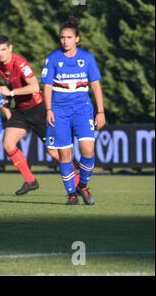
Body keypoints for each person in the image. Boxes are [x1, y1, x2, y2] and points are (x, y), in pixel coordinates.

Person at [0, 35, 77, 196]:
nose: (0, 53)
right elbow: (12, 85)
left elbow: (34, 87)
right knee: (8, 143)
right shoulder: (0, 66)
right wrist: (8, 99)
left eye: (3, 49)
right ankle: (30, 180)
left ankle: (77, 183)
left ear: (10, 48)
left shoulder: (20, 63)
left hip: (38, 109)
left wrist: (10, 92)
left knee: (54, 152)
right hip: (21, 111)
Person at [41, 16, 105, 205]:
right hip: (59, 111)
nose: (65, 41)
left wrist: (100, 111)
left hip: (82, 110)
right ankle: (71, 194)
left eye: (69, 37)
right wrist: (49, 109)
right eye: (62, 37)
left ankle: (82, 184)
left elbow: (96, 86)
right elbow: (47, 86)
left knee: (88, 150)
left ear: (77, 38)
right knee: (65, 155)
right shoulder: (53, 58)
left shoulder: (87, 58)